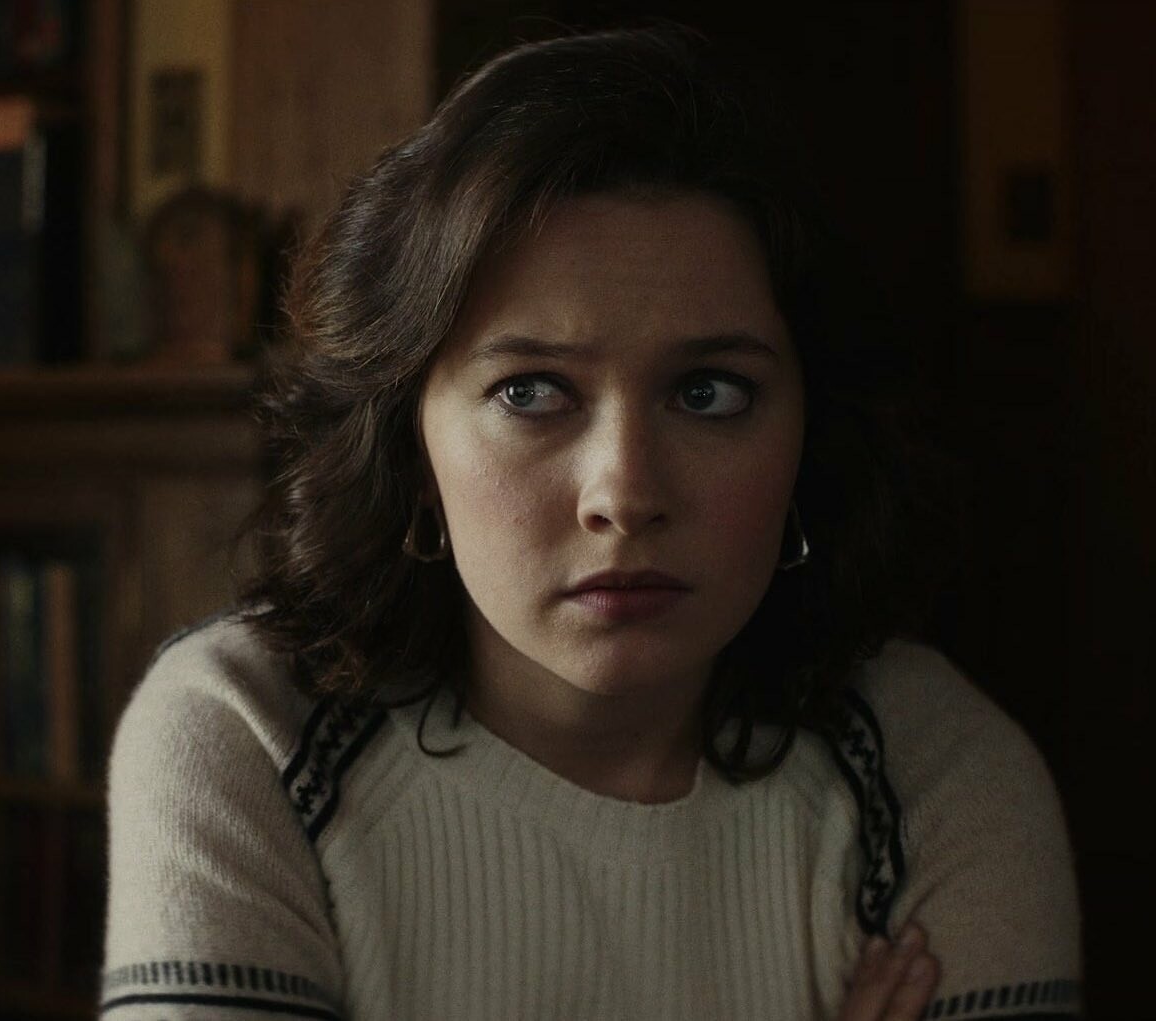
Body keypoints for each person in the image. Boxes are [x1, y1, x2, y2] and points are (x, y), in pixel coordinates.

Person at [99, 22, 1083, 1021]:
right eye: (531, 392)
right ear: (411, 444)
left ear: (810, 434)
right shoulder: (250, 736)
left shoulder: (930, 771)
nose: (624, 493)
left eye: (708, 392)